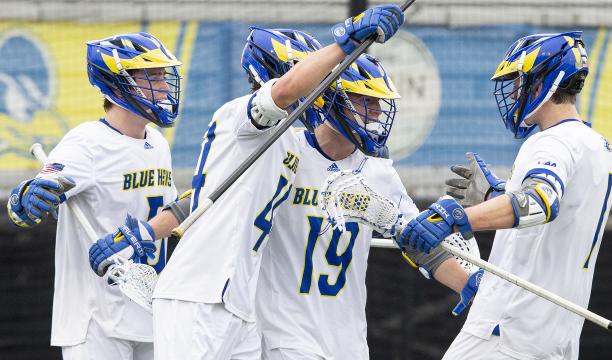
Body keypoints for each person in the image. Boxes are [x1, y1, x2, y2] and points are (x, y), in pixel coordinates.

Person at [89, 6, 405, 359]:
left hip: (241, 304)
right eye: (305, 70)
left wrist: (146, 233)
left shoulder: (291, 140)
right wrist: (347, 44)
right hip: (199, 295)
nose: (320, 82)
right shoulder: (242, 116)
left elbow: (199, 198)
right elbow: (284, 91)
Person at [397, 32, 612, 360]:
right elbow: (560, 212)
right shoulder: (598, 146)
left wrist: (456, 218)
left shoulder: (550, 142)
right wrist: (498, 194)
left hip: (507, 329)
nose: (514, 91)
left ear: (543, 81)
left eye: (519, 81)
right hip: (556, 337)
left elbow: (541, 202)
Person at [256, 48, 484, 359]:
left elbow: (417, 241)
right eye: (366, 99)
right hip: (285, 334)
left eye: (379, 101)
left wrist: (470, 285)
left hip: (348, 340)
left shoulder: (378, 171)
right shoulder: (286, 152)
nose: (376, 111)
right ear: (331, 96)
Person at [7, 32, 182, 359]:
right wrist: (26, 198)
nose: (162, 85)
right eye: (152, 76)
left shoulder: (157, 143)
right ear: (117, 84)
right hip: (95, 322)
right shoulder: (85, 142)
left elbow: (168, 218)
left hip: (147, 312)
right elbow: (36, 195)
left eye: (162, 75)